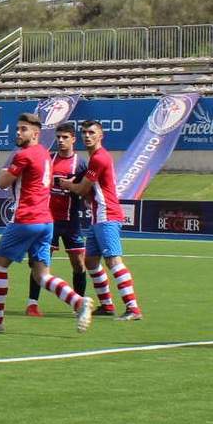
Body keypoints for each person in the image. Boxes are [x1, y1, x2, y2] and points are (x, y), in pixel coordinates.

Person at [0, 113, 94, 333]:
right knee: (42, 275)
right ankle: (79, 302)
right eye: (18, 129)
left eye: (23, 129)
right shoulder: (44, 154)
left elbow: (1, 183)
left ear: (36, 133)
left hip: (25, 219)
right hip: (46, 221)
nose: (18, 133)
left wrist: (0, 169)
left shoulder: (24, 155)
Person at [59, 120, 142, 321]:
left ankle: (133, 308)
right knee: (90, 261)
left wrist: (66, 184)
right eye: (85, 132)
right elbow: (88, 191)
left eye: (92, 132)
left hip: (107, 215)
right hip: (98, 216)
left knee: (113, 260)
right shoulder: (95, 158)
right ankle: (107, 305)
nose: (87, 136)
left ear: (100, 136)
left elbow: (81, 189)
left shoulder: (99, 158)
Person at [25, 123, 88, 317]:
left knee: (78, 263)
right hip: (48, 221)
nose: (61, 141)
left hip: (71, 221)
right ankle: (32, 304)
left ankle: (78, 304)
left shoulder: (81, 163)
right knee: (40, 263)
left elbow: (87, 188)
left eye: (65, 137)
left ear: (73, 139)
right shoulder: (48, 160)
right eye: (58, 137)